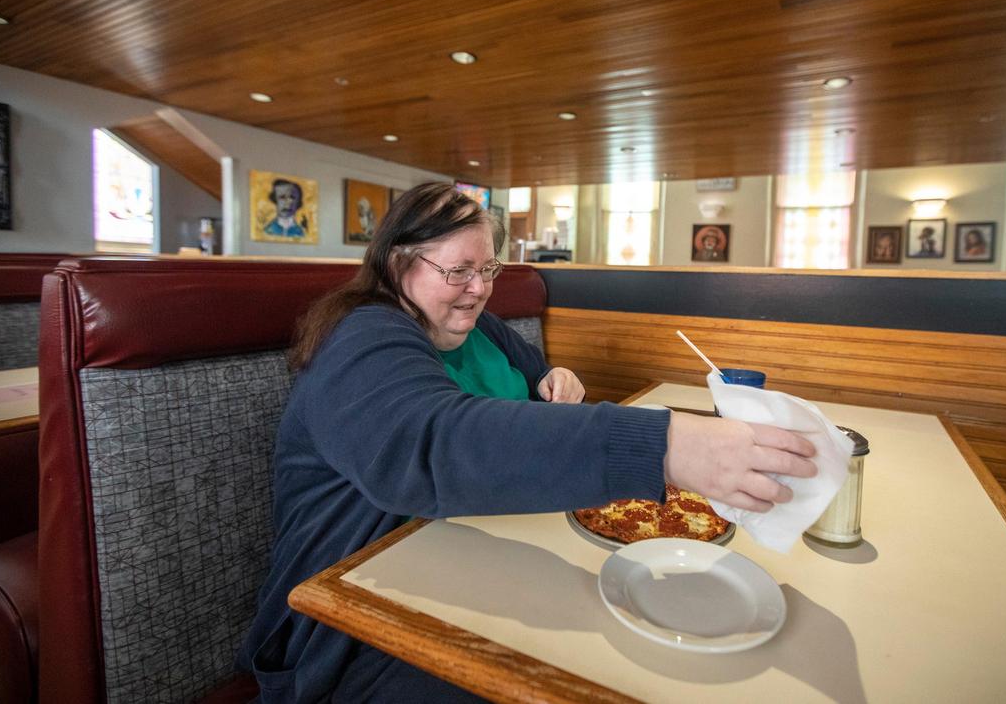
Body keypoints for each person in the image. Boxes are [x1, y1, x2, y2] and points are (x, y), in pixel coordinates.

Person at [237, 182, 817, 702]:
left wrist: (554, 383)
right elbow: (433, 443)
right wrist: (665, 443)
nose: (478, 290)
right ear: (398, 264)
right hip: (346, 633)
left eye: (489, 270)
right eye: (458, 271)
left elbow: (534, 387)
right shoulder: (361, 336)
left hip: (475, 563)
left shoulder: (475, 324)